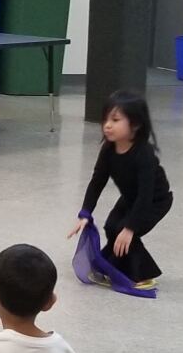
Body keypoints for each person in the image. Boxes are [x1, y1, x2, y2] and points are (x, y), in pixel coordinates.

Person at [67, 88, 173, 289]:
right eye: (106, 119)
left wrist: (130, 227)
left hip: (155, 200)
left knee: (123, 232)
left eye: (115, 120)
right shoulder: (108, 149)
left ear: (135, 125)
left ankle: (143, 275)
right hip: (132, 197)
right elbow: (97, 181)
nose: (107, 125)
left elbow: (145, 194)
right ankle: (114, 266)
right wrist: (85, 213)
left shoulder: (144, 154)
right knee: (112, 227)